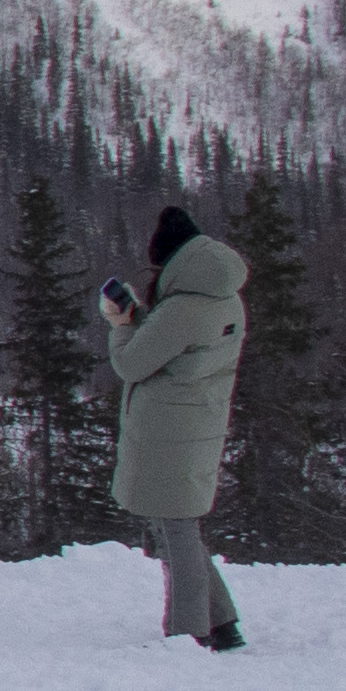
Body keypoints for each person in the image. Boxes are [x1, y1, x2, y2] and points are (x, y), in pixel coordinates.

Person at [101, 202, 251, 650]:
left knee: (176, 531)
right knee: (179, 526)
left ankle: (189, 632)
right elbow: (180, 348)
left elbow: (132, 363)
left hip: (167, 430)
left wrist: (120, 325)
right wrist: (144, 322)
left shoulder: (183, 308)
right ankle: (222, 623)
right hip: (198, 424)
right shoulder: (225, 298)